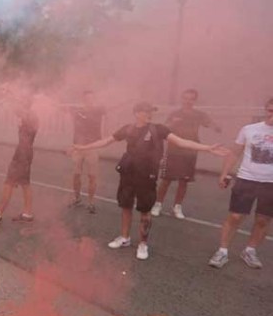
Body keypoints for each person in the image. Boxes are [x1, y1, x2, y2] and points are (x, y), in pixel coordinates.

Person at [74, 101, 228, 260]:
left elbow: (181, 142)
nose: (149, 114)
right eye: (146, 111)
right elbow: (106, 141)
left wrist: (207, 148)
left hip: (147, 175)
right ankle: (124, 237)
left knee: (145, 211)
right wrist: (83, 147)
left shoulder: (158, 129)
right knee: (125, 206)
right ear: (136, 113)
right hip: (128, 173)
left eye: (151, 112)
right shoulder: (128, 128)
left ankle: (143, 244)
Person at [209, 98, 273, 269]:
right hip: (247, 179)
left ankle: (250, 251)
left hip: (270, 184)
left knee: (263, 220)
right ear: (266, 110)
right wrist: (224, 173)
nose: (272, 115)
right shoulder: (249, 130)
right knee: (235, 216)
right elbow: (235, 153)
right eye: (271, 111)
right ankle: (222, 251)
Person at [152, 88, 222, 219]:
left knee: (184, 180)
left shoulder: (199, 114)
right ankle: (158, 204)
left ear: (195, 100)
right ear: (182, 99)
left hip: (190, 151)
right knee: (167, 179)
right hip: (174, 149)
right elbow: (165, 127)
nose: (188, 101)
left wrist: (216, 127)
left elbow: (210, 123)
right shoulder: (175, 113)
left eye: (191, 99)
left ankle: (177, 207)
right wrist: (172, 123)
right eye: (186, 98)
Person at [0, 95, 39, 223]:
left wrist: (9, 94)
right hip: (27, 152)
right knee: (25, 183)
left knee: (9, 182)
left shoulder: (27, 115)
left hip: (22, 153)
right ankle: (27, 213)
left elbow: (16, 109)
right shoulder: (33, 116)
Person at [68, 90, 106, 213]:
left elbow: (114, 109)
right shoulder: (77, 111)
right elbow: (60, 108)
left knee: (92, 176)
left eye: (91, 98)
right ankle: (77, 198)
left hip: (92, 146)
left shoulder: (98, 110)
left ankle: (91, 202)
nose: (89, 101)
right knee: (76, 174)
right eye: (86, 98)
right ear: (83, 99)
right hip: (78, 146)